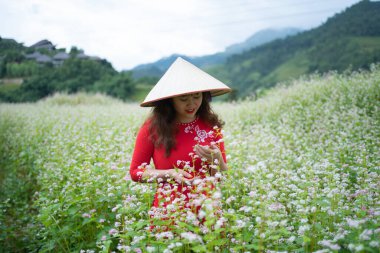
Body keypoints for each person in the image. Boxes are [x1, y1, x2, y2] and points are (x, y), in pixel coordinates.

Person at [129, 57, 231, 231]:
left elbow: (220, 175)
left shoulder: (211, 125)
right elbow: (136, 172)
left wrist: (217, 160)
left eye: (197, 96)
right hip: (170, 211)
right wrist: (170, 174)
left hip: (208, 209)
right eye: (183, 98)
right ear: (170, 100)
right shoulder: (152, 129)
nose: (192, 104)